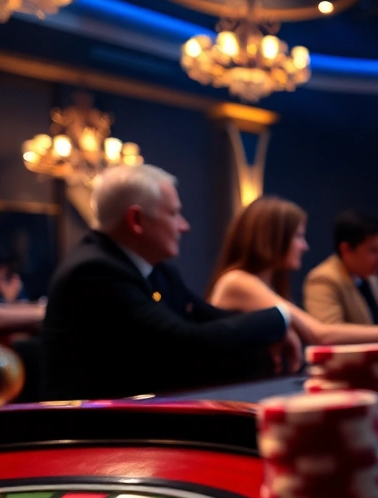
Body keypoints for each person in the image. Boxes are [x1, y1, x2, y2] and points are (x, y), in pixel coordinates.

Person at [42, 164, 299, 400]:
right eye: (174, 214)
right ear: (136, 220)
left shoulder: (158, 270)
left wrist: (273, 330)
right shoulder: (94, 271)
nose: (184, 226)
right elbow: (186, 343)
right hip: (91, 432)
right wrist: (281, 317)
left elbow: (208, 317)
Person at [208, 196, 378, 345]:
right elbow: (321, 335)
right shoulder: (237, 281)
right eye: (299, 236)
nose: (305, 246)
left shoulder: (264, 285)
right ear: (272, 239)